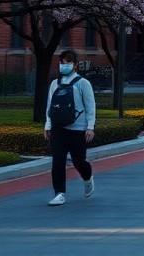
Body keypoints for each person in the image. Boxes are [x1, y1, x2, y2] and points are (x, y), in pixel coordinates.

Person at [43, 49, 97, 206]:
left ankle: (87, 178)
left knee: (79, 161)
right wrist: (48, 125)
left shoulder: (82, 83)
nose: (63, 66)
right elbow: (50, 107)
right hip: (58, 128)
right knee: (57, 161)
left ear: (74, 65)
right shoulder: (55, 83)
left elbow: (90, 106)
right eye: (61, 63)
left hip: (78, 129)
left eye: (66, 63)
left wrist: (90, 127)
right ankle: (59, 193)